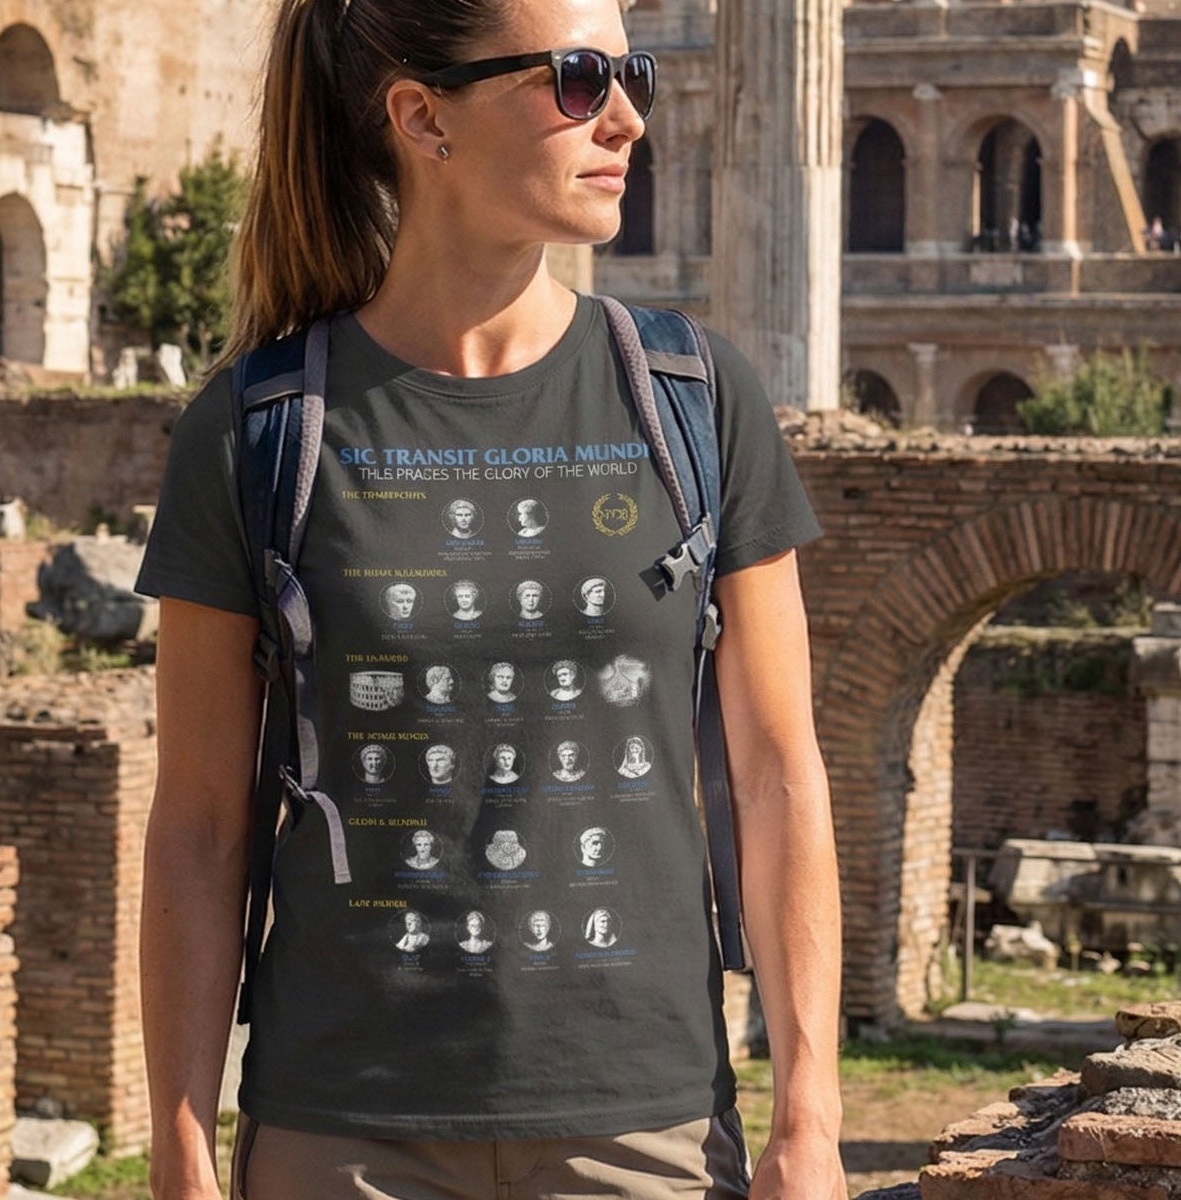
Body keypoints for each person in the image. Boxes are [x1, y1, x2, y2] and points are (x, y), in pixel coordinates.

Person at [136, 1, 844, 1197]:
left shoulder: (694, 399)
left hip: (648, 1124)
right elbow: (200, 825)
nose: (625, 115)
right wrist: (180, 1140)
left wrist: (810, 1120)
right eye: (575, 78)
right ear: (423, 118)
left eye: (632, 72)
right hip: (343, 1132)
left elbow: (778, 775)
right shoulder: (254, 429)